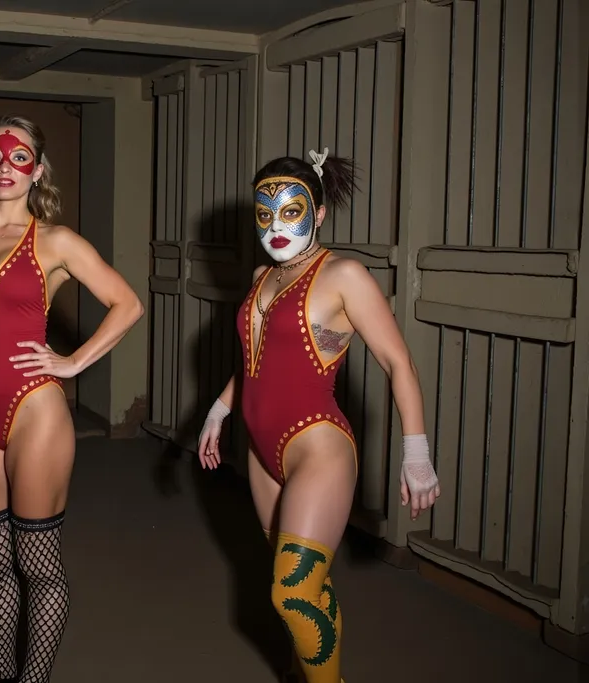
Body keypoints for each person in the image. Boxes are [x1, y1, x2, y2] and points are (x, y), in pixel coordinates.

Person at [0, 115, 143, 683]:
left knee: (37, 564)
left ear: (37, 169)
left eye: (19, 157)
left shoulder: (56, 241)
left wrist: (73, 361)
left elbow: (127, 303)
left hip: (35, 408)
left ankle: (33, 677)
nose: (6, 166)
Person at [196, 149, 441, 683]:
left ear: (320, 212)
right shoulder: (263, 275)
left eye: (291, 210)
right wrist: (219, 409)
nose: (276, 225)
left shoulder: (344, 275)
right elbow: (258, 360)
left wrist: (416, 453)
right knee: (304, 584)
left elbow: (398, 361)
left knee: (291, 592)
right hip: (260, 451)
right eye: (265, 213)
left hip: (317, 446)